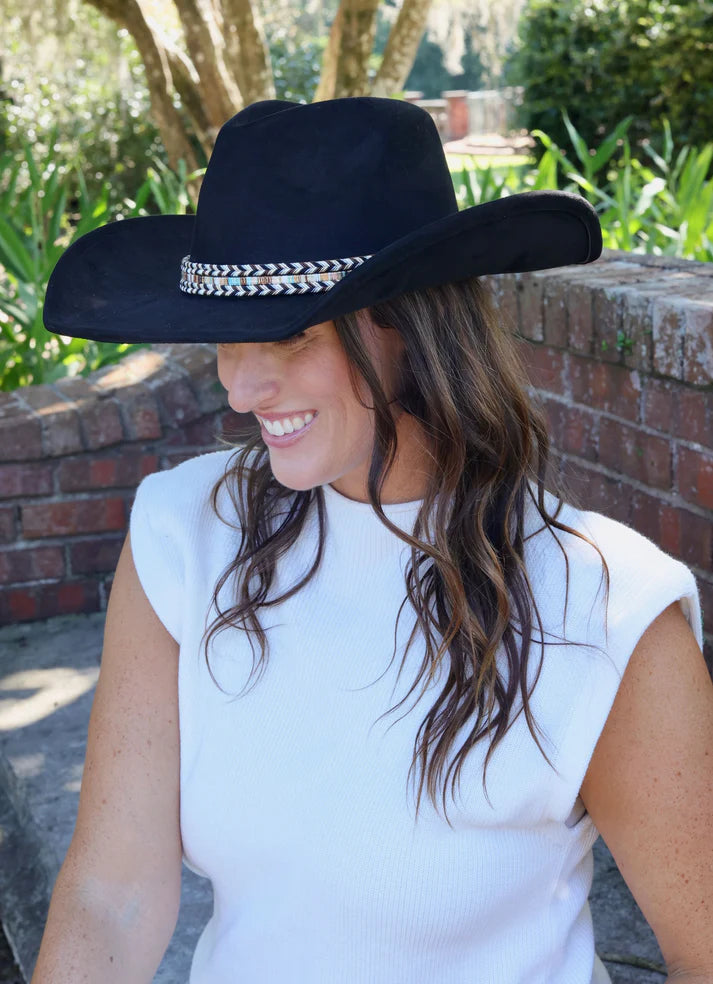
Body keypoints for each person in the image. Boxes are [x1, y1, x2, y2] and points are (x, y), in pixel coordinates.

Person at [34, 97, 712, 984]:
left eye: (288, 333)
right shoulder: (182, 534)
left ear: (410, 323)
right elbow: (111, 894)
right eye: (226, 335)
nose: (239, 389)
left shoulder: (600, 609)